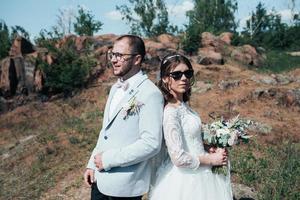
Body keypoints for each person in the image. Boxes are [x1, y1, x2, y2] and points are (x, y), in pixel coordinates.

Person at [84, 35, 164, 200]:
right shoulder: (114, 88)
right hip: (100, 180)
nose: (114, 60)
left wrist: (108, 160)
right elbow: (105, 132)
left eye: (120, 55)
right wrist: (92, 163)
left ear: (137, 59)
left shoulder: (150, 93)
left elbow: (151, 143)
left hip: (125, 186)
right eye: (112, 54)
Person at [149, 54, 233, 200]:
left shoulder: (184, 106)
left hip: (203, 170)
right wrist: (212, 160)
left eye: (188, 73)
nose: (184, 78)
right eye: (176, 75)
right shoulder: (171, 112)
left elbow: (189, 138)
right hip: (185, 179)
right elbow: (178, 158)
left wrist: (208, 148)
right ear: (164, 78)